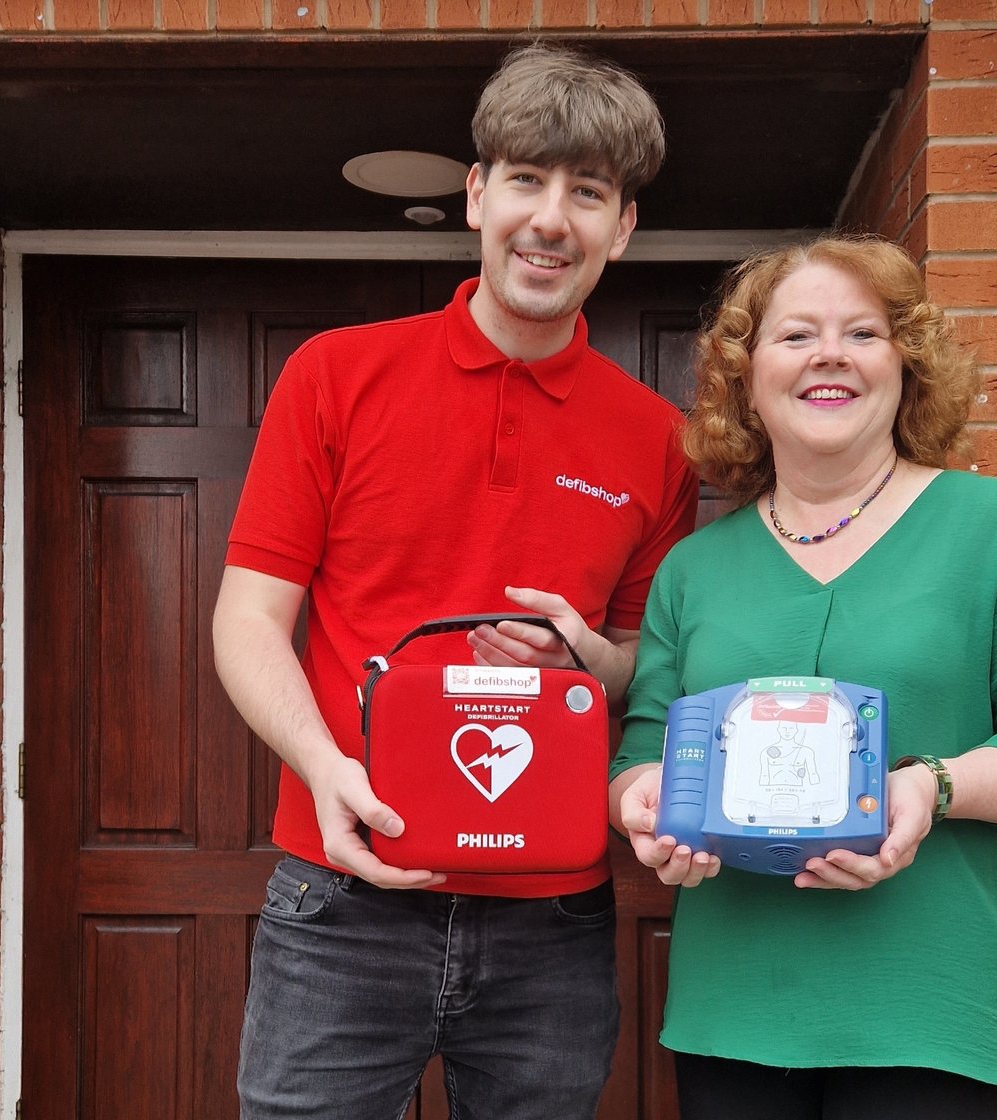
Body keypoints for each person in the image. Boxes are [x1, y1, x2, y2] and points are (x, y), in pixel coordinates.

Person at [213, 42, 699, 1120]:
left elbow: (635, 668)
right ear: (477, 195)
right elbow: (248, 618)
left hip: (551, 922)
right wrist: (321, 765)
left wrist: (587, 656)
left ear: (620, 229)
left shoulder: (658, 441)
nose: (550, 219)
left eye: (587, 193)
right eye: (526, 179)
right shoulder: (334, 377)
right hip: (342, 886)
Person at [608, 234, 997, 1120]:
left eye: (862, 333)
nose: (828, 356)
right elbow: (647, 744)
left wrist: (929, 787)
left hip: (932, 1004)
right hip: (735, 1004)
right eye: (795, 334)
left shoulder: (995, 529)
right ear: (745, 376)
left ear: (905, 364)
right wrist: (645, 806)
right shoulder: (695, 568)